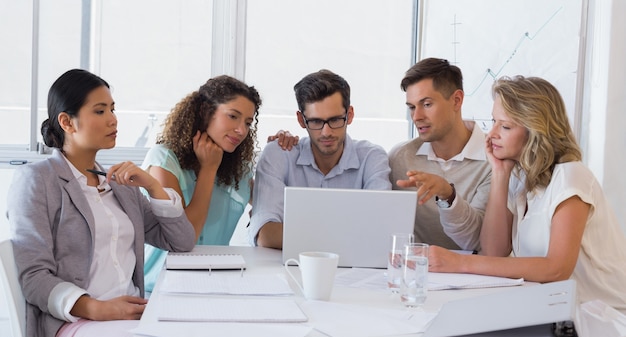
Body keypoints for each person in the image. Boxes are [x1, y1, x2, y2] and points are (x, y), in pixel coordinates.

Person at [6, 69, 196, 337]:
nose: (113, 120)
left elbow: (181, 241)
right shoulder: (38, 180)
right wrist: (97, 309)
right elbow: (34, 276)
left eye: (113, 109)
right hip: (75, 331)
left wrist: (152, 186)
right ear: (67, 122)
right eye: (100, 111)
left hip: (131, 324)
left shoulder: (119, 185)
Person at [429, 75, 626, 311]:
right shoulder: (521, 180)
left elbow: (556, 269)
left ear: (536, 131)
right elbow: (494, 252)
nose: (491, 135)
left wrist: (461, 262)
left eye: (505, 126)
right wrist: (500, 174)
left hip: (605, 317)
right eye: (493, 122)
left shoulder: (571, 176)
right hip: (557, 309)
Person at [141, 75, 264, 292]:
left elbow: (277, 207)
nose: (241, 130)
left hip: (215, 284)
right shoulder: (164, 161)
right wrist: (208, 169)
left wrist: (282, 154)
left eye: (247, 122)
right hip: (160, 287)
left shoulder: (239, 170)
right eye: (233, 116)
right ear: (206, 112)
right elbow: (184, 237)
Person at [249, 69, 392, 249]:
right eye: (316, 122)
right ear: (301, 120)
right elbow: (266, 235)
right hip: (287, 270)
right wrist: (350, 235)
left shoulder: (372, 158)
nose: (326, 132)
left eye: (335, 120)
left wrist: (294, 234)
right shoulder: (279, 154)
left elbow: (380, 230)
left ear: (350, 115)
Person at [389, 58, 491, 251]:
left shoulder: (493, 161)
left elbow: (478, 242)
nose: (416, 117)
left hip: (472, 276)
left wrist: (448, 194)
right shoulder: (400, 157)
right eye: (411, 107)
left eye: (426, 104)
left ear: (456, 100)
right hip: (414, 273)